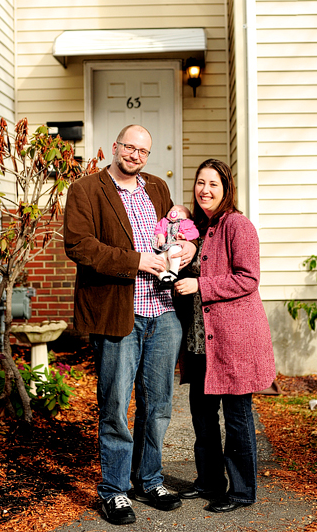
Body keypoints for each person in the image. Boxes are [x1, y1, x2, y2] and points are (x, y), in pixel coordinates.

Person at [63, 125, 196, 525]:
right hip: (118, 313)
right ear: (116, 147)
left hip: (163, 313)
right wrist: (136, 260)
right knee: (116, 406)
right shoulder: (86, 190)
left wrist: (187, 245)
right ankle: (115, 491)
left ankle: (149, 479)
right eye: (130, 147)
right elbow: (79, 245)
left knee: (157, 407)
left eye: (143, 150)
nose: (136, 155)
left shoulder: (156, 188)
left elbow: (175, 232)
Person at [172, 158, 276, 513]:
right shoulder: (196, 228)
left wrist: (201, 285)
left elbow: (249, 278)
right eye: (201, 183)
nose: (205, 190)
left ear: (226, 188)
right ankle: (209, 481)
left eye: (213, 184)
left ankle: (242, 491)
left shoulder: (237, 225)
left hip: (233, 340)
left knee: (236, 417)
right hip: (200, 340)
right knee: (202, 417)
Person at [153, 205, 200, 287]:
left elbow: (195, 233)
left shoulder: (187, 223)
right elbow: (158, 229)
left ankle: (173, 272)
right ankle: (164, 278)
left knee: (174, 251)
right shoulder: (164, 221)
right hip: (165, 248)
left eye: (180, 211)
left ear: (187, 217)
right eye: (172, 209)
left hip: (176, 246)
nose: (175, 211)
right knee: (157, 261)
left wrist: (184, 236)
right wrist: (161, 236)